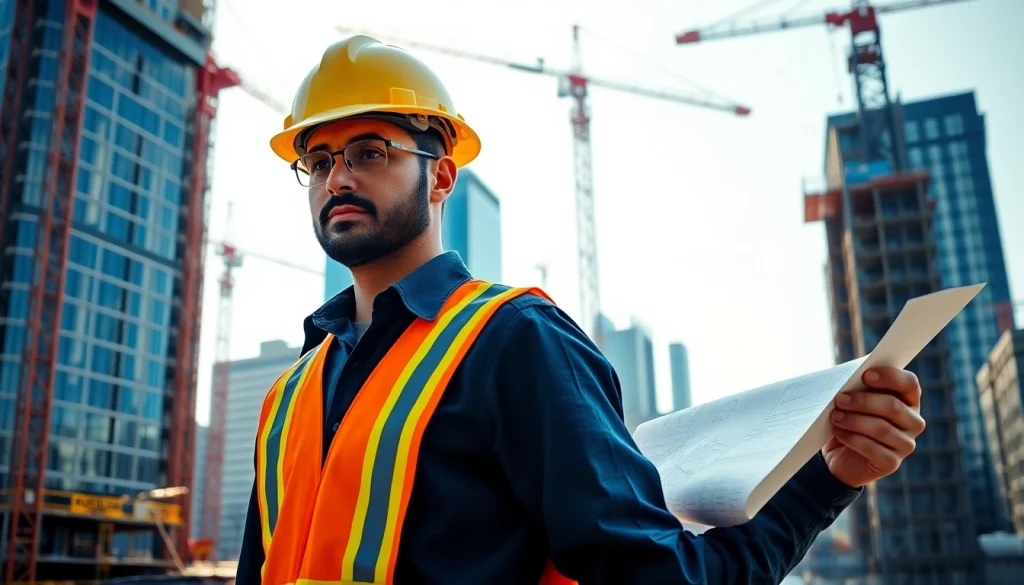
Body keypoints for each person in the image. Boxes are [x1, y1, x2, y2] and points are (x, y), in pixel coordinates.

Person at [234, 35, 927, 585]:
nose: (337, 178)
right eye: (317, 161)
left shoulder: (513, 342)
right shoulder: (290, 393)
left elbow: (658, 576)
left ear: (440, 176)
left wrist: (824, 481)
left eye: (369, 152)